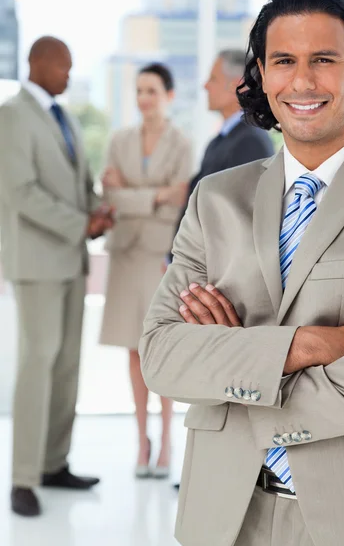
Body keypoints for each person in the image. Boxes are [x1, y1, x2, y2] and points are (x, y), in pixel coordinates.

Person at [140, 0, 344, 546]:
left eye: (323, 60)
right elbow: (160, 357)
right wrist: (313, 344)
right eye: (284, 61)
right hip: (222, 516)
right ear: (260, 73)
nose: (302, 82)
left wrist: (231, 369)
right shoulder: (215, 199)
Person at [0, 36, 114, 518]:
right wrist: (78, 223)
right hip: (37, 262)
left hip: (71, 260)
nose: (68, 75)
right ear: (37, 63)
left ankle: (53, 464)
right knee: (37, 362)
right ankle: (23, 478)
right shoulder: (11, 115)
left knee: (67, 366)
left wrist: (95, 212)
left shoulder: (63, 117)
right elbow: (21, 191)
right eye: (63, 66)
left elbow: (78, 180)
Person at [100, 63, 191, 479]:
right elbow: (111, 198)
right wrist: (153, 198)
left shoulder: (182, 143)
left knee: (160, 348)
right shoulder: (119, 141)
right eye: (139, 90)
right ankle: (142, 442)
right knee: (133, 352)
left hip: (159, 256)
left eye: (151, 90)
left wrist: (135, 197)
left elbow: (180, 199)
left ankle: (166, 444)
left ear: (168, 95)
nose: (143, 98)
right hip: (125, 256)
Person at [166, 49, 275, 266]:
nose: (205, 86)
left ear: (239, 84)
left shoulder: (250, 142)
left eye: (213, 79)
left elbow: (237, 221)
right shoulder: (224, 140)